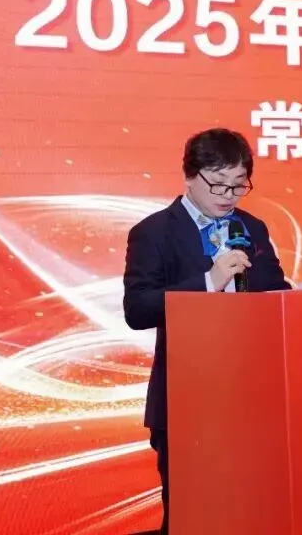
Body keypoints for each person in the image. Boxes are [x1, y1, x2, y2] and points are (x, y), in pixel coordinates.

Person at [122, 128, 291, 534]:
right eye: (217, 183)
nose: (228, 195)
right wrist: (208, 282)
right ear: (189, 176)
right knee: (193, 515)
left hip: (254, 400)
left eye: (238, 185)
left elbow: (278, 292)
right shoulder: (154, 232)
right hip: (187, 401)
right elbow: (138, 309)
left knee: (254, 510)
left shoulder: (252, 228)